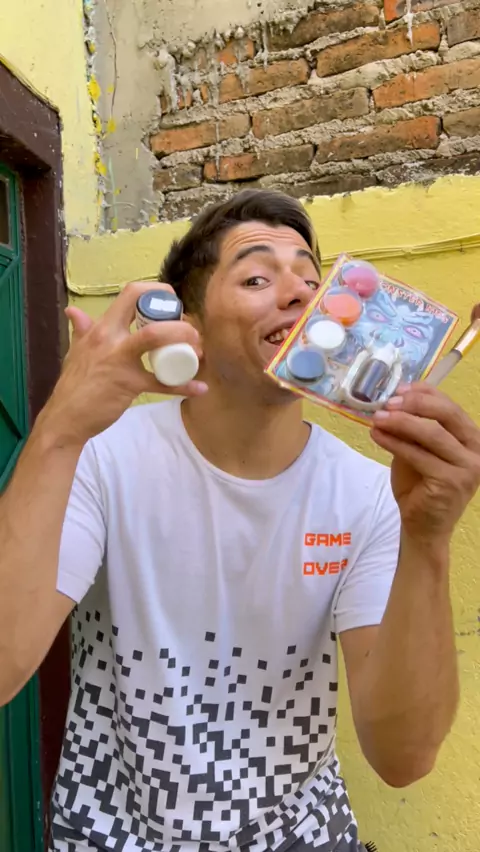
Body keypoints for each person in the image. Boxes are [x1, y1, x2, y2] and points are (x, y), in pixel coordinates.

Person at [0, 189, 479, 852]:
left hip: (302, 837)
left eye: (312, 279)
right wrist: (58, 431)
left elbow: (404, 759)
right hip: (113, 834)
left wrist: (427, 539)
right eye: (257, 277)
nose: (300, 292)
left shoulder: (368, 495)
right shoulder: (102, 459)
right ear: (188, 325)